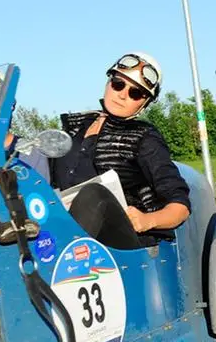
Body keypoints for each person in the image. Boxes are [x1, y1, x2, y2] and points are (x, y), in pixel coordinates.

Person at [49, 52, 191, 249]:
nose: (123, 94)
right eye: (118, 84)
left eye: (135, 93)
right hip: (66, 231)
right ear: (108, 82)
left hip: (120, 244)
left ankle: (61, 255)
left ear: (144, 104)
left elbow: (180, 207)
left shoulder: (143, 137)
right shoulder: (73, 130)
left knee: (93, 195)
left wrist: (147, 220)